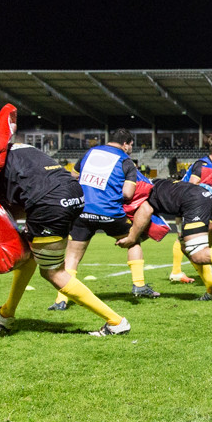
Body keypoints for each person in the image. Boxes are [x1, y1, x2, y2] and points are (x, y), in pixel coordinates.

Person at [0, 139, 132, 336]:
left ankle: (116, 322)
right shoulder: (19, 147)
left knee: (53, 272)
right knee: (31, 255)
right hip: (72, 193)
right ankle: (6, 314)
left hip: (50, 203)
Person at [49, 129, 159, 311]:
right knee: (133, 241)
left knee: (72, 256)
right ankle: (139, 285)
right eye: (131, 145)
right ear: (126, 144)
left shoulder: (90, 153)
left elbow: (74, 176)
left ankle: (61, 300)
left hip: (83, 212)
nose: (131, 148)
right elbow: (127, 193)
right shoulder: (126, 161)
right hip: (110, 213)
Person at [116, 177, 212, 300]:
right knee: (185, 247)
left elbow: (146, 210)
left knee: (199, 253)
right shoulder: (158, 185)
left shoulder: (142, 195)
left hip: (193, 202)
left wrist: (132, 237)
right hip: (192, 200)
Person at [169, 139, 212, 283]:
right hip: (184, 201)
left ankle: (180, 270)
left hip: (195, 203)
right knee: (184, 237)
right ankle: (179, 271)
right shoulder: (202, 165)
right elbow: (192, 185)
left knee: (196, 235)